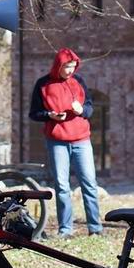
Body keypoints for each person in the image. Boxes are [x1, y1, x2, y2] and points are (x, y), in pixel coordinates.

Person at [29, 47, 103, 238]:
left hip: (81, 140)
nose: (70, 70)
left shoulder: (78, 82)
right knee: (62, 186)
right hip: (57, 141)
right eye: (66, 67)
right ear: (58, 65)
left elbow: (89, 109)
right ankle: (65, 229)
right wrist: (49, 115)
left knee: (89, 184)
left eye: (73, 66)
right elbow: (34, 113)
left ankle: (95, 228)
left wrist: (81, 111)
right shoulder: (43, 84)